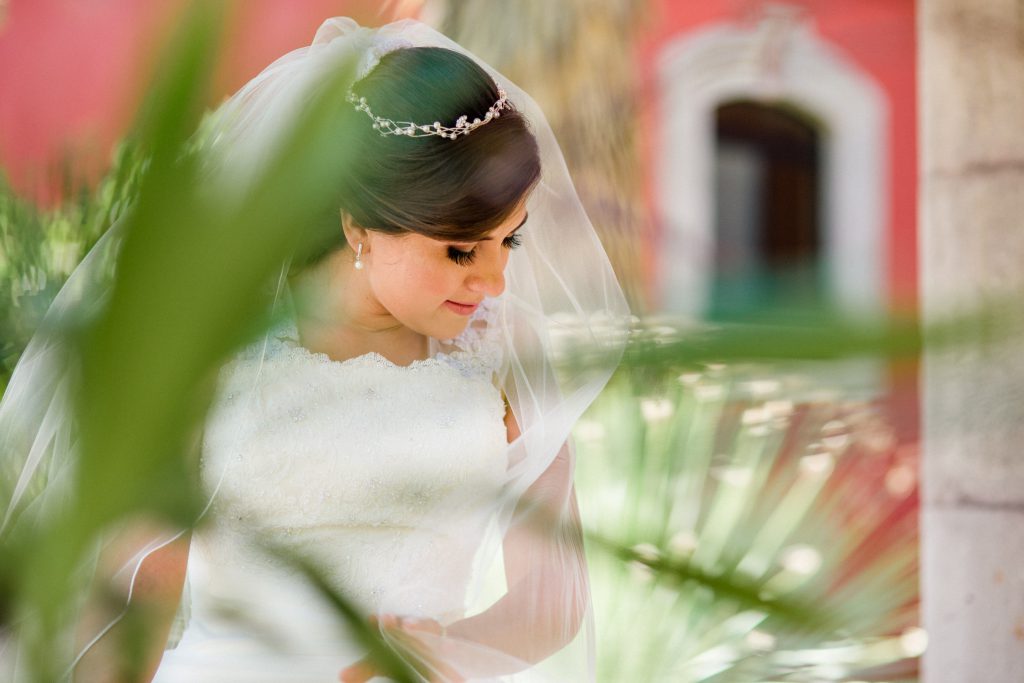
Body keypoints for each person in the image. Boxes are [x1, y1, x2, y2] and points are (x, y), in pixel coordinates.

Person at [0, 16, 629, 683]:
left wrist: (428, 656)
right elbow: (140, 589)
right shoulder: (225, 346)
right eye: (461, 249)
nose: (496, 279)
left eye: (511, 240)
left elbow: (550, 604)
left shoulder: (507, 349)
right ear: (359, 224)